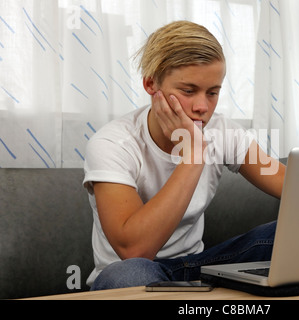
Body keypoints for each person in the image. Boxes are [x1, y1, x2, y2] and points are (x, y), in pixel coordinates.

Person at [83, 20, 286, 290]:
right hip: (134, 272)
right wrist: (194, 155)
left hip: (197, 267)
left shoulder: (224, 132)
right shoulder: (112, 143)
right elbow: (134, 249)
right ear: (151, 84)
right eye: (188, 91)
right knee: (128, 274)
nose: (202, 107)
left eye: (212, 93)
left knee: (291, 234)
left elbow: (294, 187)